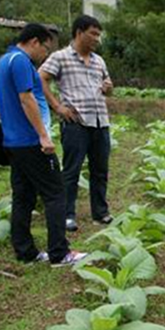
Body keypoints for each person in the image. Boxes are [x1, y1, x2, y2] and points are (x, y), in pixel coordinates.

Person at [0, 24, 86, 266]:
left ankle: (25, 252)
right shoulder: (20, 61)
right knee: (55, 193)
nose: (45, 56)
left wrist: (8, 113)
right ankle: (60, 253)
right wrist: (43, 135)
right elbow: (26, 97)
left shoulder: (3, 60)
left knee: (23, 196)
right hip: (31, 141)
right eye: (45, 49)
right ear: (34, 42)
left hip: (12, 142)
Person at [39, 15, 113, 232]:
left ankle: (100, 213)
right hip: (76, 123)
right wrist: (57, 106)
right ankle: (67, 215)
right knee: (72, 170)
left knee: (100, 170)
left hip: (100, 121)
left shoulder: (99, 60)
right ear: (79, 32)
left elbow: (108, 86)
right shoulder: (60, 57)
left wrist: (108, 87)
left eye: (99, 35)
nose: (97, 39)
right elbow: (40, 78)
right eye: (94, 34)